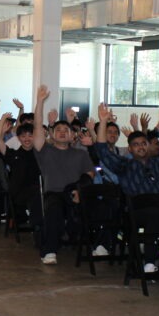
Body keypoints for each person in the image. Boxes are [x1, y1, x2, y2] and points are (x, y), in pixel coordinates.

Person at [32, 85, 96, 265]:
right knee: (54, 210)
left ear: (72, 136)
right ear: (51, 134)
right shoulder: (45, 150)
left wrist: (80, 190)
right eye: (58, 130)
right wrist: (39, 102)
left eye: (66, 130)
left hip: (75, 193)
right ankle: (50, 250)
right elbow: (37, 126)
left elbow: (90, 173)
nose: (61, 132)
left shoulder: (81, 154)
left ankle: (99, 245)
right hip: (54, 195)